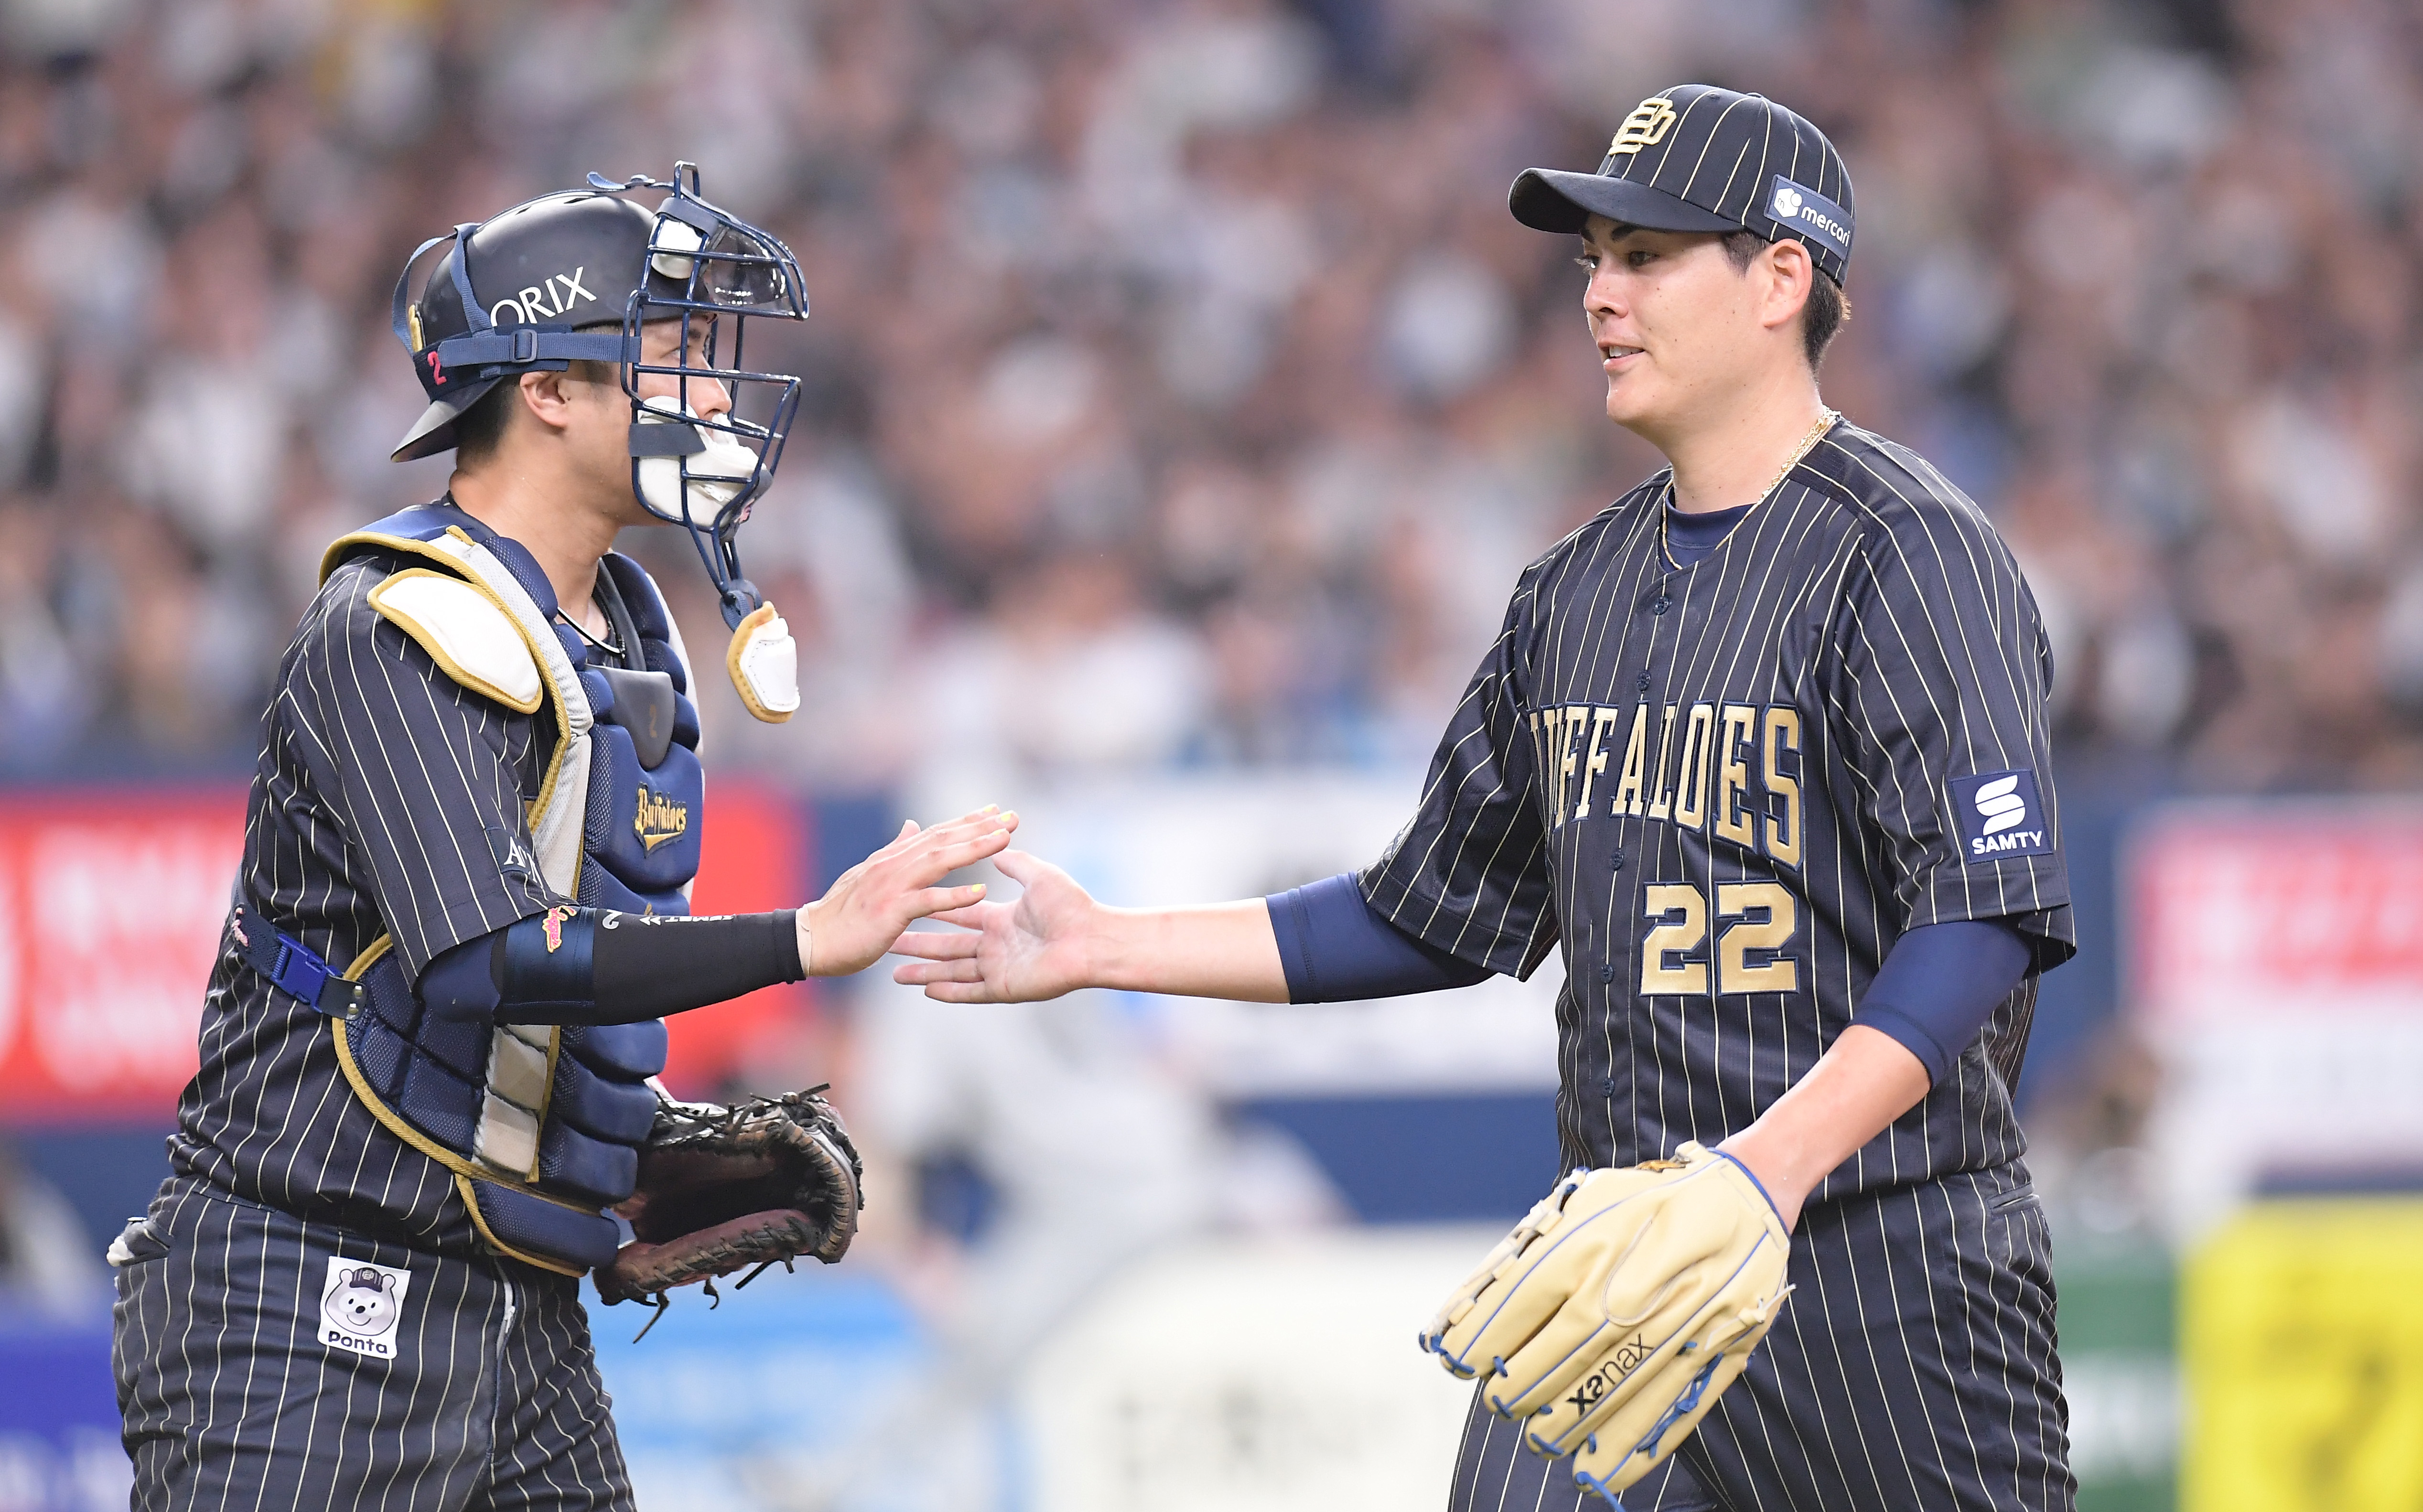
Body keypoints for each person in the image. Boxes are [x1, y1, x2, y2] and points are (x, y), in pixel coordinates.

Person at [893, 86, 2076, 1512]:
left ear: (1781, 280)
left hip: (1886, 1279)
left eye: (1647, 254)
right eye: (1594, 258)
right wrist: (1104, 950)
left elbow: (1981, 921)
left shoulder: (1910, 553)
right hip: (1621, 1262)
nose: (1599, 293)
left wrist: (1766, 1171)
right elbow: (1427, 913)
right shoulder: (1570, 591)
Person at [108, 166, 1014, 1511]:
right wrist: (807, 939)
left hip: (514, 1310)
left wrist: (613, 1143)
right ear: (543, 391)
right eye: (664, 354)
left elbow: (506, 1019)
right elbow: (484, 957)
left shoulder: (632, 633)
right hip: (302, 1297)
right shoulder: (392, 628)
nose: (708, 394)